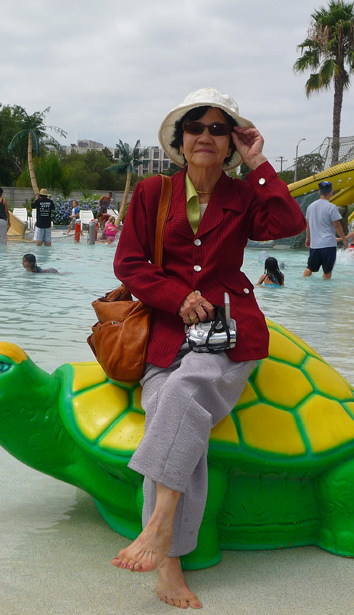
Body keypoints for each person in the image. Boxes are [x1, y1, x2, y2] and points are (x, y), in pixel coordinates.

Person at [112, 88, 306, 609]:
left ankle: (159, 537)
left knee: (186, 391)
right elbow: (129, 265)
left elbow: (290, 225)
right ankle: (168, 565)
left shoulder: (243, 197)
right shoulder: (154, 192)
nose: (206, 136)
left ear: (230, 144)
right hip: (165, 332)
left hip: (230, 329)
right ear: (181, 139)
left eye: (219, 130)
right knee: (170, 411)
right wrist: (178, 297)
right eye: (196, 127)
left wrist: (259, 160)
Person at [303, 181, 348, 280]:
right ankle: (324, 294)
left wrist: (308, 238)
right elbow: (337, 225)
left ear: (319, 192)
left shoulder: (310, 207)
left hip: (315, 245)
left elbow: (308, 224)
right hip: (328, 244)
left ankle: (303, 286)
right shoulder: (331, 207)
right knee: (327, 271)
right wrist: (344, 239)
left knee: (310, 267)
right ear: (331, 192)